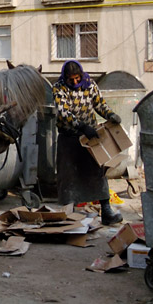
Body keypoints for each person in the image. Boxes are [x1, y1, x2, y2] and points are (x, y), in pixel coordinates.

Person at [52, 60, 124, 225]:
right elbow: (64, 113)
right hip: (69, 137)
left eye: (77, 78)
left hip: (90, 137)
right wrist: (82, 126)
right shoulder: (58, 88)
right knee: (68, 177)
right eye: (71, 80)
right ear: (65, 77)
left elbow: (99, 103)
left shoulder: (89, 84)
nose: (75, 82)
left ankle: (106, 212)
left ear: (81, 75)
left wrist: (110, 115)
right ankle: (68, 218)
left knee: (98, 173)